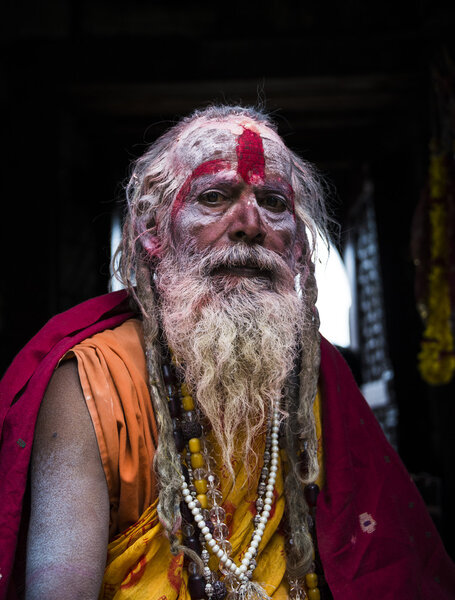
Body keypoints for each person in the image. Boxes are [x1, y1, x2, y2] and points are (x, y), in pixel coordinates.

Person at [0, 105, 454, 600]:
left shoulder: (315, 379)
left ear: (298, 245)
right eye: (214, 197)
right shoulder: (93, 381)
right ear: (154, 233)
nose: (249, 223)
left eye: (274, 202)